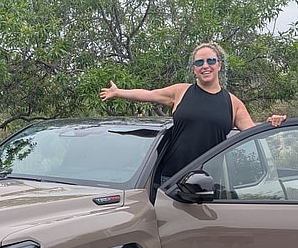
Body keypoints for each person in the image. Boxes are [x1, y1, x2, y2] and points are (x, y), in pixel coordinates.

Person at [99, 42, 286, 180]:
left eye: (211, 60)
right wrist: (118, 92)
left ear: (219, 65)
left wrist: (272, 123)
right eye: (199, 63)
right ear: (194, 69)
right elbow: (148, 94)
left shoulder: (233, 102)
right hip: (172, 179)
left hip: (210, 182)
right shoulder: (180, 91)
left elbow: (253, 133)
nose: (205, 66)